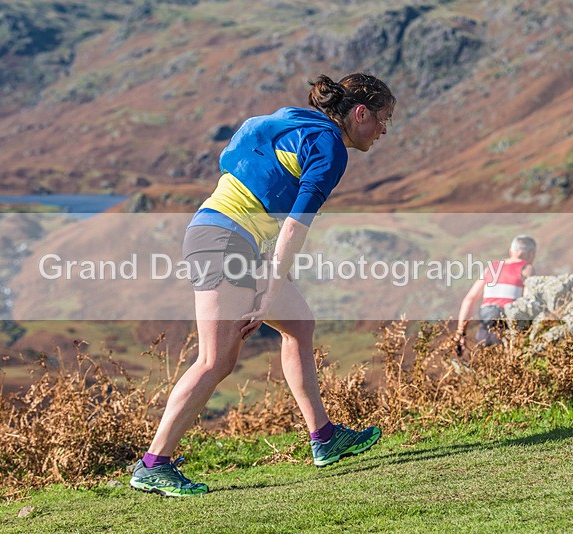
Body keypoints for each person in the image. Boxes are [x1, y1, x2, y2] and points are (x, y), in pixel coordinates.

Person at [129, 73, 396, 497]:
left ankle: (324, 437)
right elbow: (295, 226)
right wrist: (270, 287)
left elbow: (240, 154)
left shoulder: (295, 120)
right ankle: (153, 464)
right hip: (224, 240)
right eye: (382, 119)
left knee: (299, 324)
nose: (384, 130)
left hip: (226, 235)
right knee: (215, 360)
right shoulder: (329, 149)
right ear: (360, 113)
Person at [454, 235, 537, 354]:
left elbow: (469, 299)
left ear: (511, 251)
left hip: (486, 319)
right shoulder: (526, 268)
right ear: (530, 253)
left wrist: (460, 333)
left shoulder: (492, 267)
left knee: (484, 359)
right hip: (507, 319)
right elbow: (528, 301)